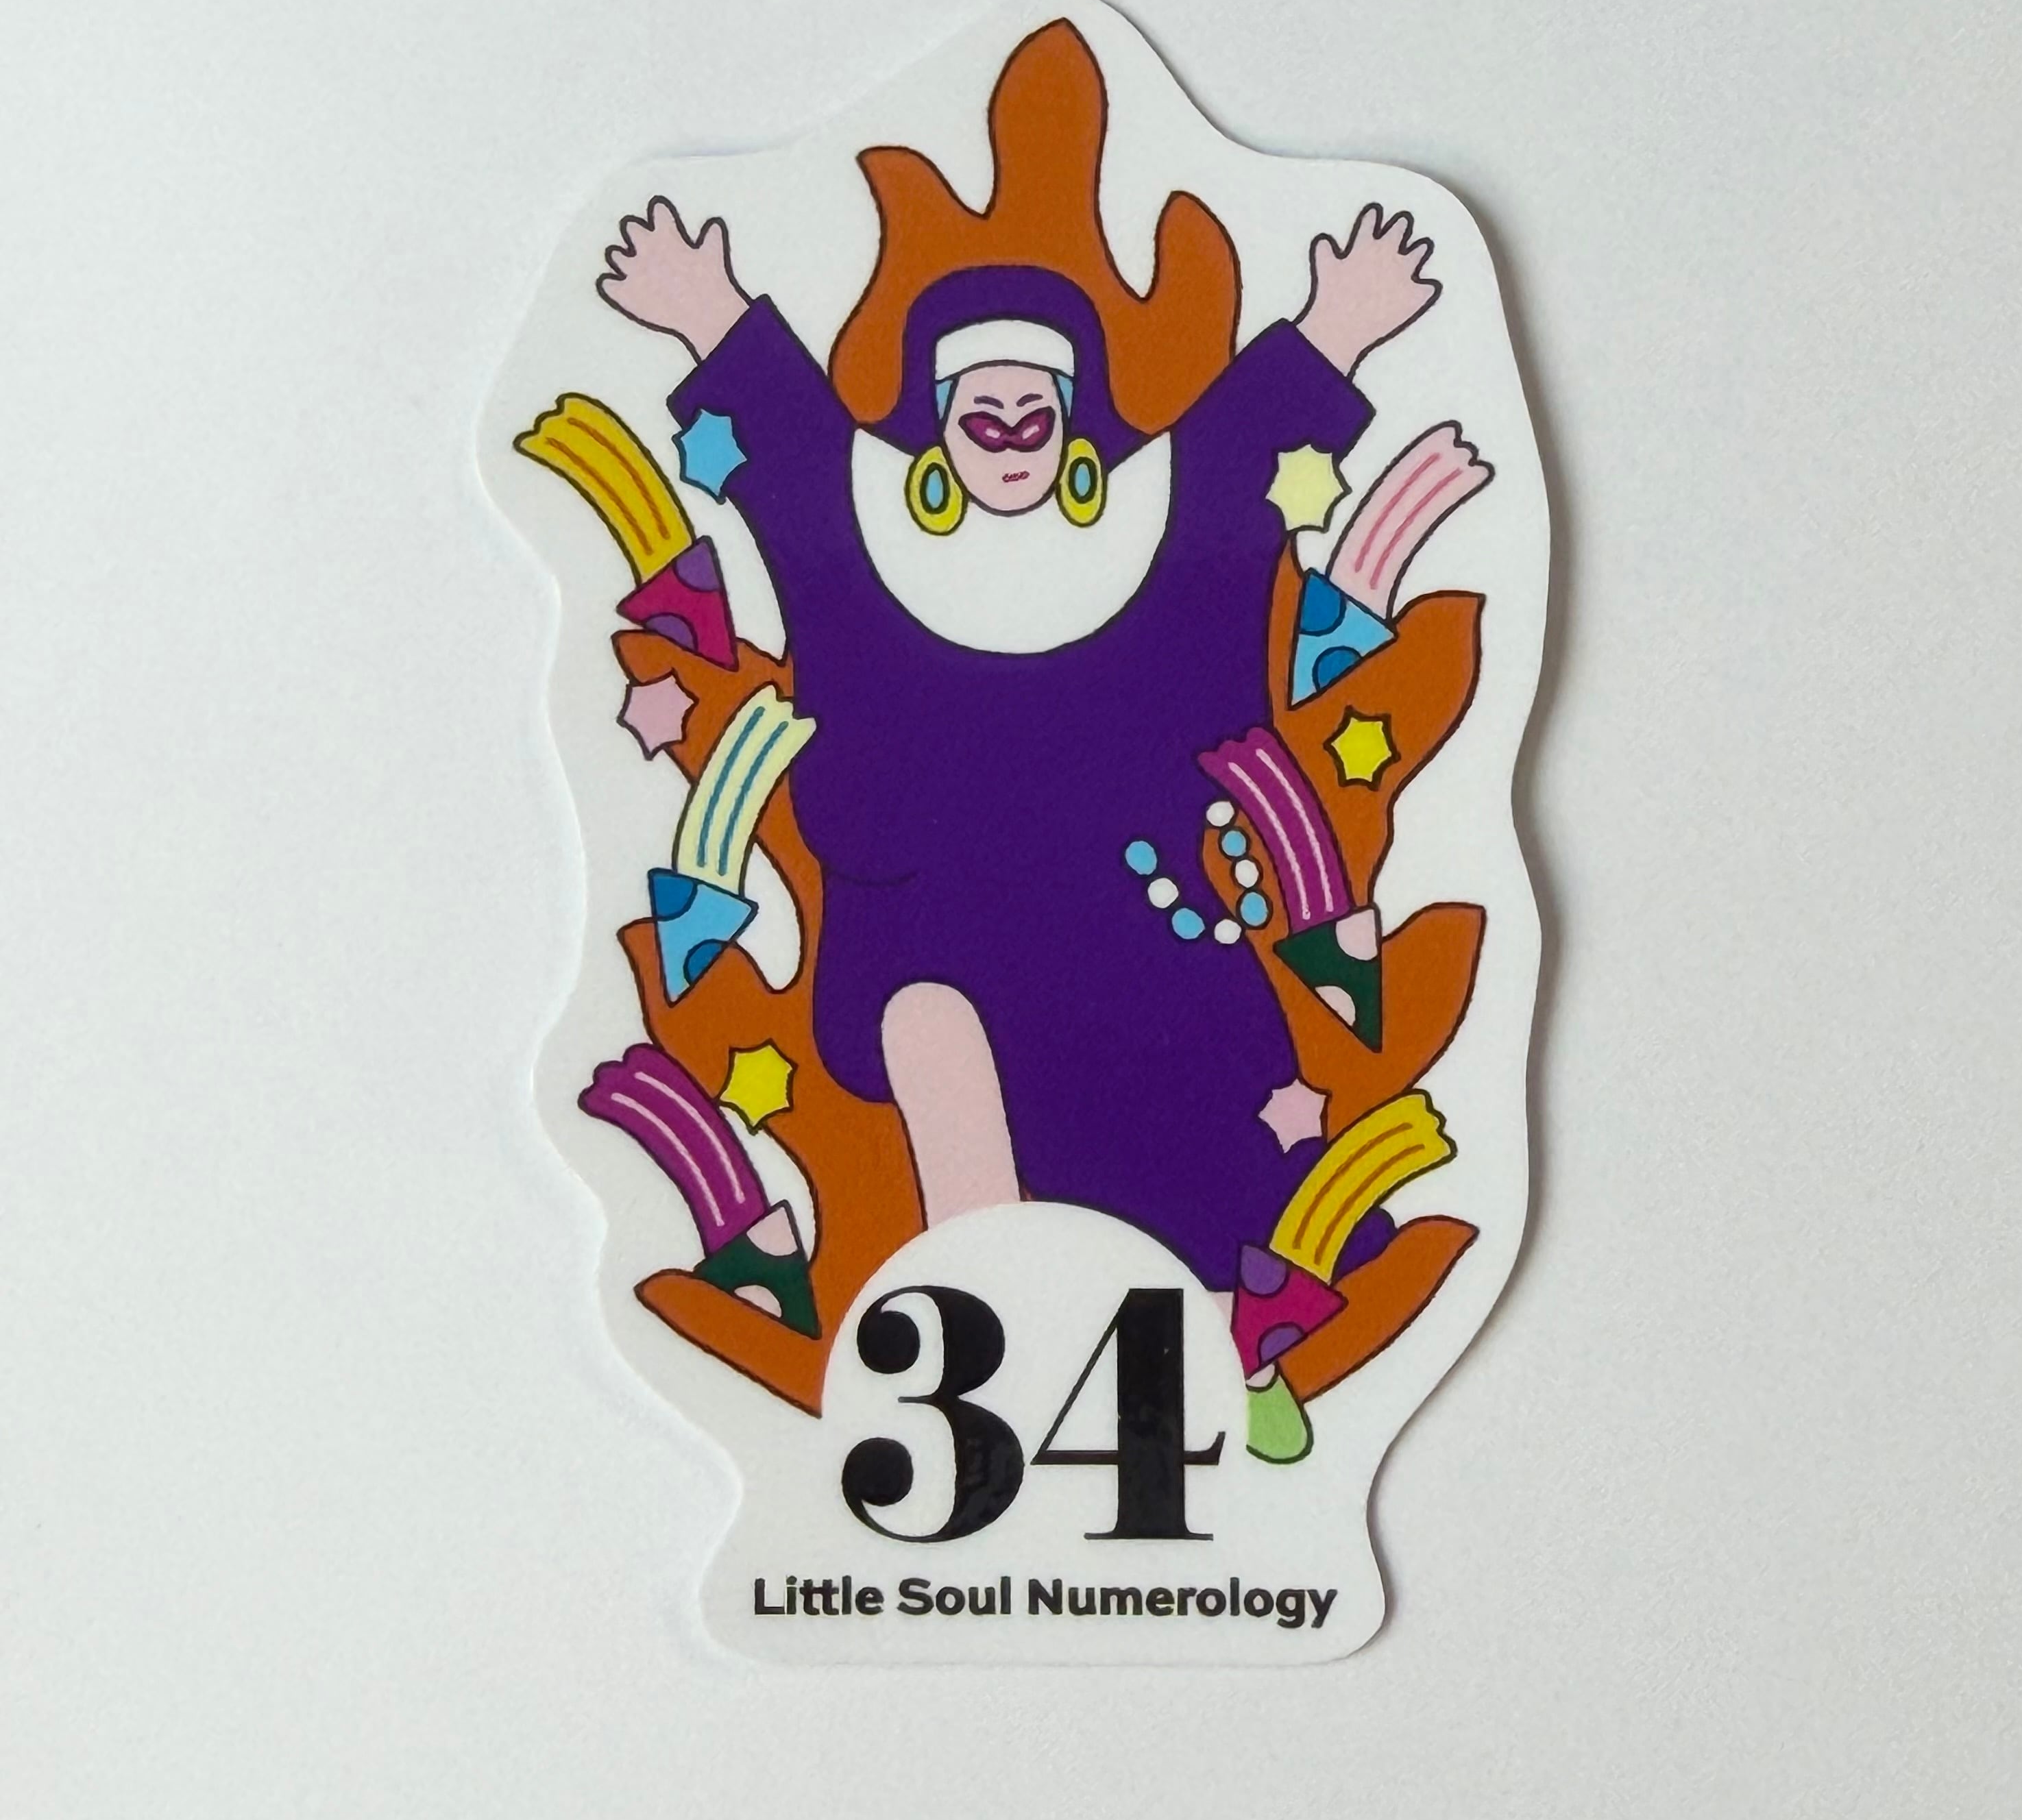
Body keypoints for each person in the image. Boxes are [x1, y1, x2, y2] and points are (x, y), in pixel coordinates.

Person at [598, 197, 1442, 1452]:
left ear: (1073, 420)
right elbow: (794, 463)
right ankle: (988, 1371)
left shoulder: (1151, 527)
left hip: (1145, 940)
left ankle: (1218, 1389)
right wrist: (706, 311)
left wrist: (1340, 327)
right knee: (942, 1059)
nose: (1006, 439)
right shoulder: (873, 533)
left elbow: (1234, 469)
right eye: (979, 414)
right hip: (926, 935)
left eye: (1031, 413)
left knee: (1212, 1149)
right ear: (938, 425)